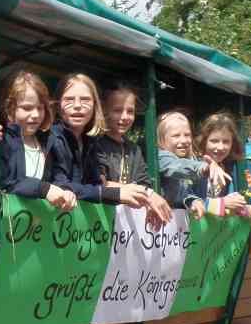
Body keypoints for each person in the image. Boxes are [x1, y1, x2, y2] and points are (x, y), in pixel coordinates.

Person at [47, 73, 172, 225]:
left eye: (130, 111)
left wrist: (144, 196)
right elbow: (63, 184)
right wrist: (128, 193)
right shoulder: (57, 138)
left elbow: (96, 183)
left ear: (94, 106)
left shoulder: (90, 142)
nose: (78, 105)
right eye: (117, 110)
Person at [89, 83, 172, 218]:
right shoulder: (94, 143)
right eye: (117, 110)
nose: (125, 117)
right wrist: (146, 193)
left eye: (130, 111)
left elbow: (144, 183)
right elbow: (100, 183)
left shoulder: (134, 150)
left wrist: (148, 198)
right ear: (104, 110)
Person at [0, 70, 76, 211]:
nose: (35, 114)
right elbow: (8, 183)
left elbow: (59, 177)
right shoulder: (3, 141)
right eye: (27, 108)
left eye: (40, 108)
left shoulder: (50, 141)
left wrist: (65, 190)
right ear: (9, 110)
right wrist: (44, 189)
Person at [155, 110, 229, 217]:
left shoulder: (190, 159)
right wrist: (203, 168)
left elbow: (185, 194)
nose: (184, 140)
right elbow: (177, 166)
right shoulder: (161, 157)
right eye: (176, 136)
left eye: (187, 135)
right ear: (162, 139)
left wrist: (193, 201)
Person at [189, 111, 249, 217]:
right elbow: (188, 204)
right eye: (214, 141)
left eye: (226, 142)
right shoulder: (194, 166)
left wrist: (242, 208)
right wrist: (222, 203)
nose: (220, 147)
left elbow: (227, 204)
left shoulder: (228, 168)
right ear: (204, 141)